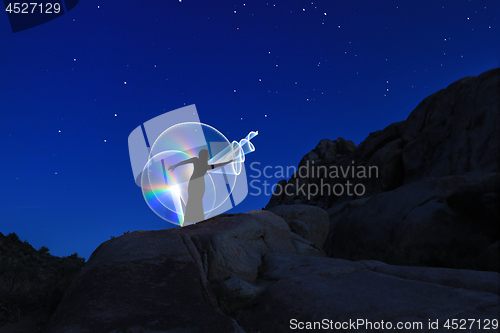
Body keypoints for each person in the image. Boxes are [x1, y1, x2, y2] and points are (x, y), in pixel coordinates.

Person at [168, 149, 234, 224]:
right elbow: (185, 162)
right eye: (207, 155)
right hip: (194, 182)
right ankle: (188, 220)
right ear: (203, 155)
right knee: (192, 199)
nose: (208, 156)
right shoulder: (196, 160)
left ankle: (198, 220)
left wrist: (228, 162)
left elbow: (217, 165)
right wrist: (175, 166)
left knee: (198, 200)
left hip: (200, 183)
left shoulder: (206, 165)